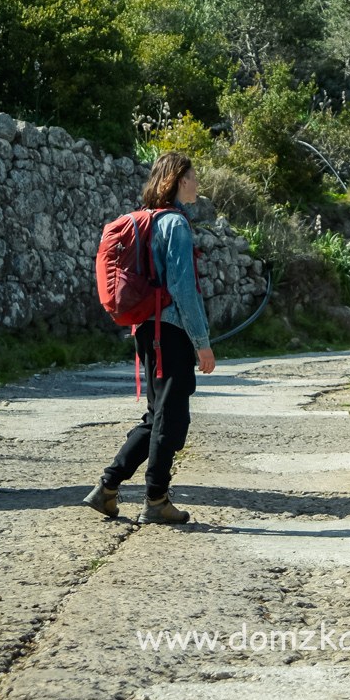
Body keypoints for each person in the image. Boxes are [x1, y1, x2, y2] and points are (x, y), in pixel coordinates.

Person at [83, 152, 215, 525]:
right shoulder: (175, 223)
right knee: (171, 417)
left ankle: (107, 488)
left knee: (156, 415)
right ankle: (156, 500)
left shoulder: (148, 219)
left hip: (146, 329)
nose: (197, 182)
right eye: (193, 175)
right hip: (169, 330)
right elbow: (183, 288)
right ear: (178, 180)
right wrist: (201, 341)